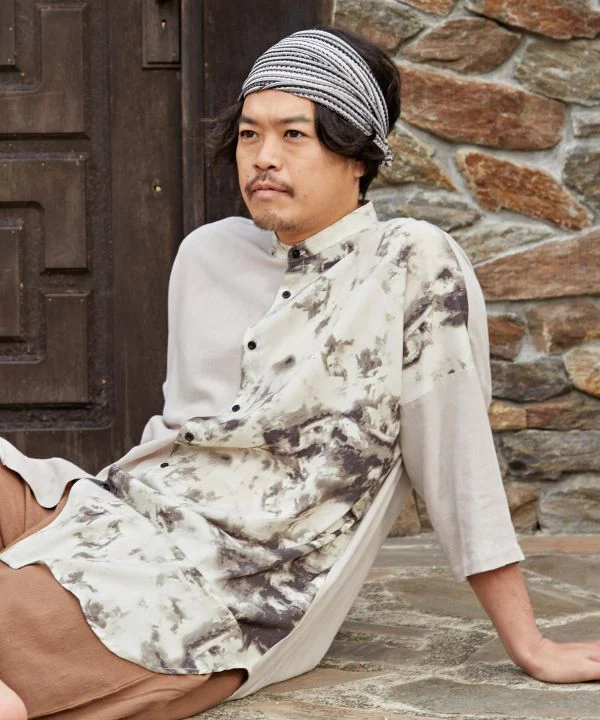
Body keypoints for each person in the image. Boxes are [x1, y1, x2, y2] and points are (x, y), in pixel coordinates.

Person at [1, 26, 600, 720]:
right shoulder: (206, 254)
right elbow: (182, 438)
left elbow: (458, 461)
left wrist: (530, 643)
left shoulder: (410, 262)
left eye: (294, 135)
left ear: (358, 155)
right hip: (122, 515)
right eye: (249, 135)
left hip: (216, 593)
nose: (263, 157)